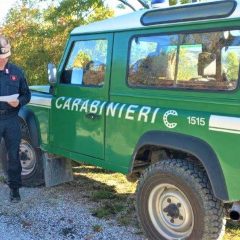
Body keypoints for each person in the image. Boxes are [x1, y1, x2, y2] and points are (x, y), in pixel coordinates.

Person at [0, 35, 31, 203]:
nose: (1, 61)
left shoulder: (17, 72)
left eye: (3, 57)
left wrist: (18, 101)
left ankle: (14, 189)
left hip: (11, 119)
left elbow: (27, 94)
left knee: (13, 155)